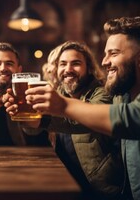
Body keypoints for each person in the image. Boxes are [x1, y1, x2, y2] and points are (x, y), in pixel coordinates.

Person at [24, 16, 140, 200]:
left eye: (114, 53)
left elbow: (130, 118)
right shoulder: (123, 95)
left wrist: (61, 105)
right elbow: (82, 124)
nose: (105, 61)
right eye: (63, 64)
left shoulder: (106, 94)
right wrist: (37, 119)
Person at [5, 41, 124, 198]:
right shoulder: (57, 93)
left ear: (89, 69)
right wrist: (25, 116)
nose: (68, 70)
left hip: (99, 187)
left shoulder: (102, 93)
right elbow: (34, 130)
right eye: (63, 64)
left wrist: (43, 119)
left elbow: (82, 121)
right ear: (56, 69)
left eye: (75, 64)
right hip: (64, 181)